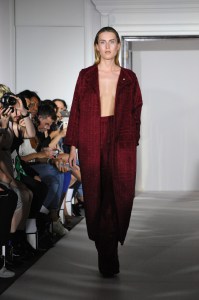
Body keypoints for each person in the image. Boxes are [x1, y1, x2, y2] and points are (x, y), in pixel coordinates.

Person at [65, 26, 143, 277]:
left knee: (119, 195)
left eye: (112, 42)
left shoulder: (129, 77)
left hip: (121, 138)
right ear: (96, 46)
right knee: (97, 196)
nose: (107, 46)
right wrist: (72, 147)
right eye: (102, 42)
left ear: (119, 46)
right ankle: (105, 254)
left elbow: (136, 110)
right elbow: (76, 109)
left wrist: (133, 140)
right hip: (91, 136)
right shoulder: (86, 75)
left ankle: (109, 255)